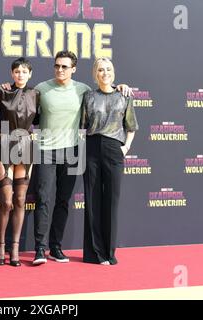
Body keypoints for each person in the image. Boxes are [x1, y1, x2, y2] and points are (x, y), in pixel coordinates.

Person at [30, 51, 133, 265]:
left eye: (65, 66)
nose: (60, 70)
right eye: (57, 66)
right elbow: (22, 100)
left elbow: (109, 93)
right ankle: (40, 249)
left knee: (63, 201)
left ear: (73, 69)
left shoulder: (83, 91)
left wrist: (121, 86)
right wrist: (5, 89)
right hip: (46, 151)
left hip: (72, 151)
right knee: (43, 199)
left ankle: (56, 248)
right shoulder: (41, 88)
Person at [80, 57, 138, 265]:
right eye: (101, 70)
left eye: (108, 69)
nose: (105, 73)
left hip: (115, 148)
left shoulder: (124, 95)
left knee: (111, 201)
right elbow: (82, 125)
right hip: (92, 147)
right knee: (92, 200)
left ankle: (109, 252)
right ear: (95, 74)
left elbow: (130, 126)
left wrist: (125, 148)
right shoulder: (88, 96)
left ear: (113, 72)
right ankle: (94, 253)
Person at [0, 58, 40, 267]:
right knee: (6, 202)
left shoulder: (37, 95)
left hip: (27, 147)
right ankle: (1, 246)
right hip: (4, 145)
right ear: (12, 74)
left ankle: (15, 248)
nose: (20, 74)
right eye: (17, 71)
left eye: (24, 71)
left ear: (30, 74)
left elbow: (39, 120)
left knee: (20, 200)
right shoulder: (1, 92)